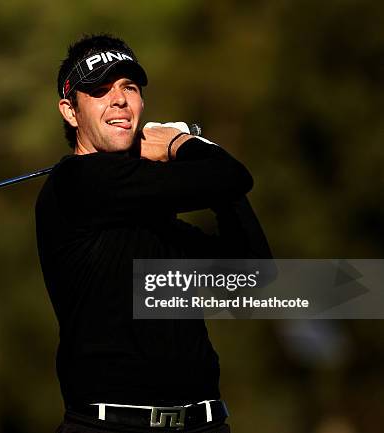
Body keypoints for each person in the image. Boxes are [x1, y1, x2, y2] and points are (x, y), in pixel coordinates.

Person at [35, 34, 272, 433]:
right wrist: (184, 145)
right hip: (109, 426)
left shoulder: (153, 216)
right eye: (99, 91)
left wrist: (196, 160)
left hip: (205, 423)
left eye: (129, 88)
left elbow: (255, 273)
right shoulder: (74, 184)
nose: (120, 100)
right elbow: (233, 175)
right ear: (70, 112)